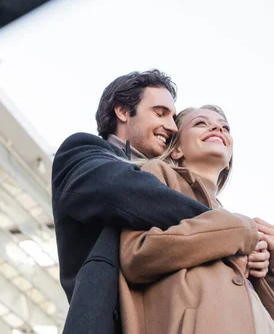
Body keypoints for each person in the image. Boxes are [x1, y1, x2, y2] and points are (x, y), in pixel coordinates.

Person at [52, 70, 211, 333]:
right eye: (160, 113)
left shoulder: (169, 182)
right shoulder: (82, 151)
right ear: (123, 112)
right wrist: (223, 225)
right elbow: (126, 191)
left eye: (173, 117)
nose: (172, 127)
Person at [119, 105, 274, 334]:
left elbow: (241, 307)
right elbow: (137, 256)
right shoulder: (157, 174)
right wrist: (239, 230)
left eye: (225, 127)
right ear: (176, 150)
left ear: (227, 163)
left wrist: (272, 266)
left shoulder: (229, 224)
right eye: (200, 123)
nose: (218, 128)